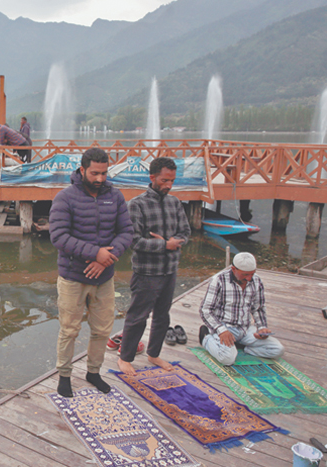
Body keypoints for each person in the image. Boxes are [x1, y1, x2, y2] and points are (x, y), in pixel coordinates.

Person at [49, 147, 133, 397]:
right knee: (69, 329)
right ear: (82, 169)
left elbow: (126, 232)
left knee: (102, 329)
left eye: (104, 173)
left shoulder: (115, 197)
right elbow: (58, 237)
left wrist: (105, 260)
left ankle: (93, 372)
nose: (100, 179)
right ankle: (64, 375)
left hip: (104, 278)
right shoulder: (64, 198)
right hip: (73, 277)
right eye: (95, 173)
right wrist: (95, 253)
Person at [117, 157, 191, 376]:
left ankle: (154, 353)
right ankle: (125, 357)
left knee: (163, 315)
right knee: (138, 316)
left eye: (172, 181)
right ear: (152, 177)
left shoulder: (174, 202)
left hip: (170, 270)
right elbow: (134, 241)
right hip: (147, 272)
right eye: (165, 180)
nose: (169, 185)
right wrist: (165, 244)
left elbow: (185, 233)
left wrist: (174, 242)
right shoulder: (137, 205)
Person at [198, 252, 284, 365]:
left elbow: (258, 308)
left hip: (245, 328)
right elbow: (205, 310)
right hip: (225, 327)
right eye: (245, 274)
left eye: (252, 274)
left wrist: (262, 328)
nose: (249, 278)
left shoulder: (256, 281)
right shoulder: (218, 280)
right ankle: (206, 338)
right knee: (227, 359)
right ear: (233, 269)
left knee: (278, 350)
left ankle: (241, 346)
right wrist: (221, 330)